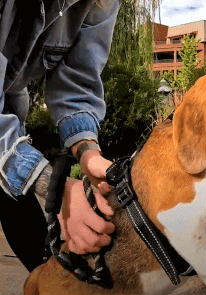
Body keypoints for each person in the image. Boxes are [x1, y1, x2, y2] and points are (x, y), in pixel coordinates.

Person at [0, 0, 119, 273]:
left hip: (8, 100)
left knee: (11, 189)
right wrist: (56, 190)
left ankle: (49, 287)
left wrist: (88, 151)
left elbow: (77, 81)